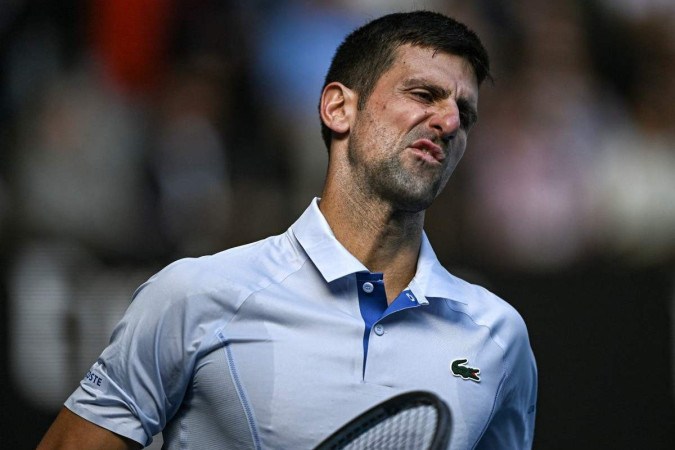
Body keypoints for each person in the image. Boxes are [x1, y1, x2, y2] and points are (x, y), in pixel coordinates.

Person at [38, 10, 537, 450]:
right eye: (424, 93)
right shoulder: (193, 295)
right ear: (339, 108)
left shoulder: (498, 337)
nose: (449, 121)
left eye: (465, 115)